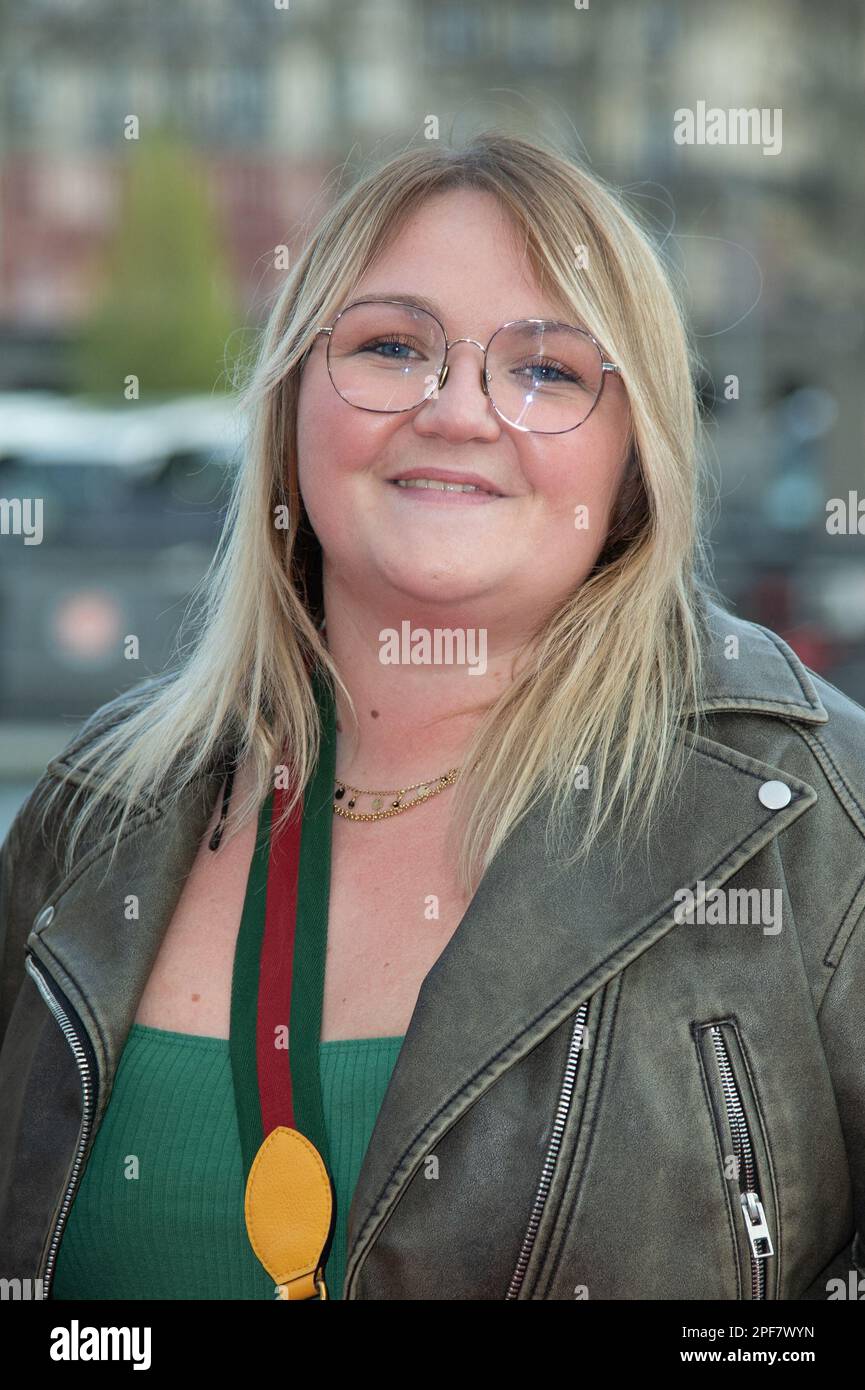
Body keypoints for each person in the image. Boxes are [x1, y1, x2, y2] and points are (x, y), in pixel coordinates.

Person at [0, 132, 863, 1301]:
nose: (459, 411)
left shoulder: (811, 812)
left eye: (549, 370)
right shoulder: (99, 809)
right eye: (391, 348)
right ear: (292, 409)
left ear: (635, 458)